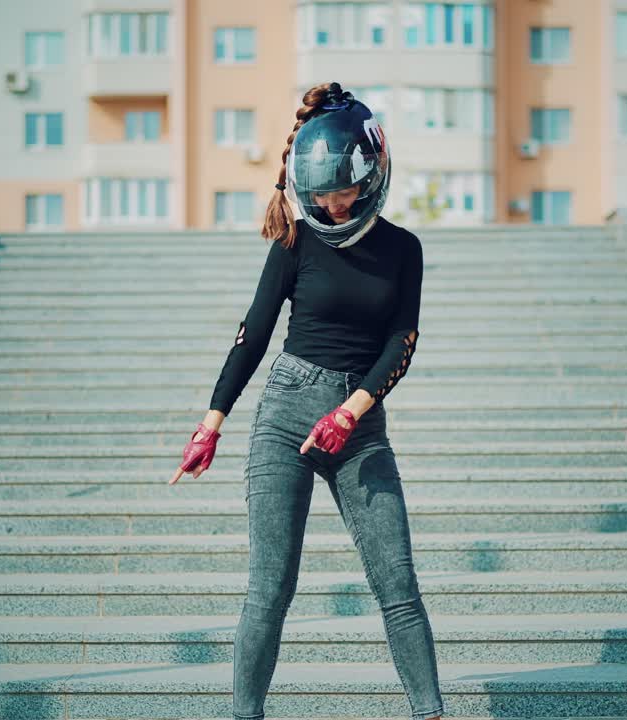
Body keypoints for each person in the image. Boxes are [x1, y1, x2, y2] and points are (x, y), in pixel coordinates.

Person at [167, 81, 444, 720]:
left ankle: (431, 712)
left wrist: (351, 412)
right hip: (286, 411)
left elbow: (403, 340)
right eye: (320, 193)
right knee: (269, 588)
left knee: (398, 585)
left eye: (343, 189)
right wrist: (211, 423)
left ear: (370, 172)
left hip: (359, 422)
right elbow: (253, 334)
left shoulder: (404, 249)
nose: (334, 203)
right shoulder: (294, 241)